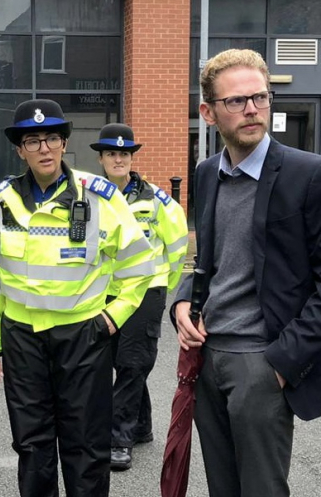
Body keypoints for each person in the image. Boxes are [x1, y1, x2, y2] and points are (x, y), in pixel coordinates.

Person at [173, 48, 321, 496]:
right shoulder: (206, 174)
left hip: (261, 363)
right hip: (209, 361)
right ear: (208, 112)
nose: (251, 109)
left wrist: (280, 364)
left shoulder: (313, 175)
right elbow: (211, 260)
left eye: (260, 98)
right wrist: (184, 299)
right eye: (236, 101)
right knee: (222, 489)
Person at [0, 99, 155, 497]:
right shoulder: (3, 200)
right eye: (33, 140)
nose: (44, 148)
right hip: (22, 337)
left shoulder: (100, 197)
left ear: (64, 143)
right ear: (20, 150)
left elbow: (140, 267)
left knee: (87, 445)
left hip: (83, 335)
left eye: (52, 137)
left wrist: (111, 319)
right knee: (32, 445)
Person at [89, 123, 189, 471]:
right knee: (120, 362)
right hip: (107, 293)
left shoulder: (155, 199)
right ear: (101, 158)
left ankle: (119, 439)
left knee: (133, 363)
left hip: (146, 289)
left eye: (125, 153)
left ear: (132, 158)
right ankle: (142, 425)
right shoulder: (89, 197)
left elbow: (178, 245)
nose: (119, 159)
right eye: (112, 153)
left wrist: (162, 284)